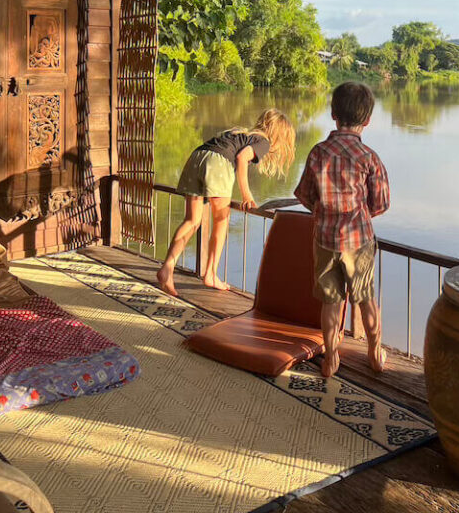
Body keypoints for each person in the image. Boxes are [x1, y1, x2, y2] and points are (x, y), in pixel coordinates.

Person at [294, 82, 389, 378]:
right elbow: (381, 203)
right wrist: (361, 215)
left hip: (324, 238)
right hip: (358, 240)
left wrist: (324, 213)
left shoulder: (318, 152)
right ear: (368, 120)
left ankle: (331, 357)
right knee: (365, 297)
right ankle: (374, 352)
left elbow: (305, 195)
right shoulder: (369, 157)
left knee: (331, 301)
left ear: (333, 114)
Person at [157, 109, 296, 297]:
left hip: (197, 157)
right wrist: (247, 195)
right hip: (217, 163)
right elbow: (241, 157)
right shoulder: (263, 141)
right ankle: (211, 274)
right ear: (279, 135)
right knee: (221, 220)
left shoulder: (240, 134)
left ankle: (167, 267)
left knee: (192, 220)